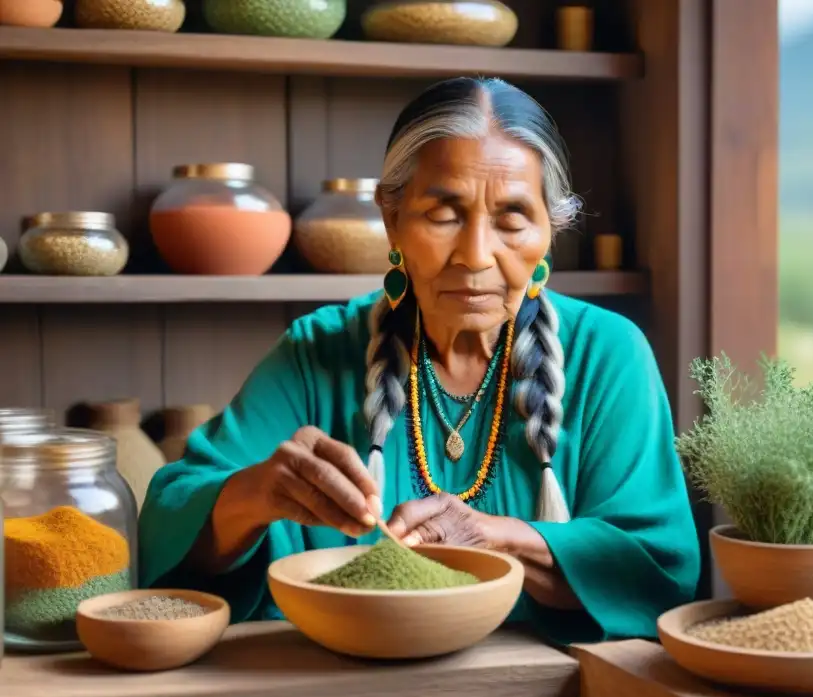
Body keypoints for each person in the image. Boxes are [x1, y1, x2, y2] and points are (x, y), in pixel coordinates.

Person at [138, 77, 700, 644]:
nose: (476, 255)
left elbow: (656, 567)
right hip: (339, 692)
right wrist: (255, 494)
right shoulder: (319, 352)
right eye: (443, 214)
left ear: (548, 232)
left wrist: (498, 538)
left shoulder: (606, 355)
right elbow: (171, 514)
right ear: (392, 220)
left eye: (511, 220)